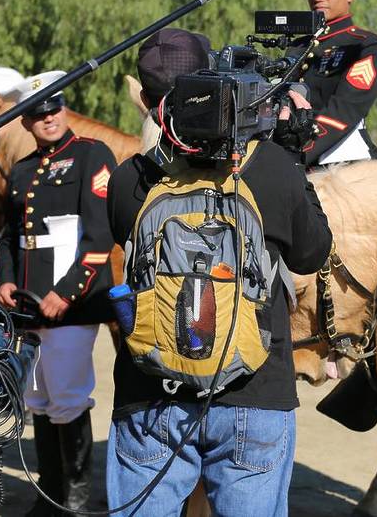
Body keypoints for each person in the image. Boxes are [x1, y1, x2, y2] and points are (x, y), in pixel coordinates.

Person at [105, 28, 332, 516]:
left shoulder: (129, 180)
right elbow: (313, 255)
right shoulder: (272, 166)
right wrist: (293, 158)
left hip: (151, 397)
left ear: (146, 100)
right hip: (255, 393)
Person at [0, 71, 117, 514]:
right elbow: (11, 236)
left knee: (67, 397)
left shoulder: (91, 155)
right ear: (26, 122)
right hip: (29, 308)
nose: (47, 118)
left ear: (64, 109)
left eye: (54, 108)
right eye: (37, 113)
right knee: (39, 401)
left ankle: (77, 502)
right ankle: (50, 496)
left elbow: (100, 236)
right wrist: (5, 279)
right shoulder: (24, 169)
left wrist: (66, 293)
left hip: (73, 306)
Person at [287, 0, 377, 167]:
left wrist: (298, 155)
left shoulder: (364, 45)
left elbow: (343, 111)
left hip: (344, 160)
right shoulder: (298, 47)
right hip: (292, 154)